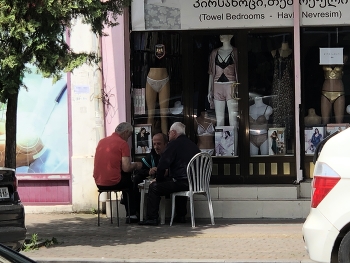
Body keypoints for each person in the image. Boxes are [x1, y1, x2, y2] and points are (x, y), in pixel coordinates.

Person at [139, 122, 200, 225]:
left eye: (169, 133)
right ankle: (181, 216)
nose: (168, 135)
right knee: (178, 182)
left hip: (181, 182)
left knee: (154, 187)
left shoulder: (173, 144)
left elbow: (163, 164)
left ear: (173, 132)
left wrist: (158, 179)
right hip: (195, 182)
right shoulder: (193, 145)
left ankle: (152, 218)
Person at [93, 122, 143, 223]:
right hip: (114, 182)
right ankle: (132, 214)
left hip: (99, 183)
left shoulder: (101, 142)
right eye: (129, 136)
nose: (128, 138)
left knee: (125, 180)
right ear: (126, 132)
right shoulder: (122, 144)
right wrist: (137, 165)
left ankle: (124, 200)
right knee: (130, 182)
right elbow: (126, 168)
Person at [133, 133, 168, 217]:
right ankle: (136, 212)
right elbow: (139, 170)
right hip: (156, 183)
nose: (156, 147)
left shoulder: (170, 154)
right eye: (154, 144)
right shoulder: (152, 155)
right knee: (136, 179)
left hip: (168, 182)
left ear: (165, 144)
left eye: (159, 144)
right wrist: (148, 171)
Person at [207, 35, 239, 127]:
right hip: (217, 86)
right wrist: (209, 90)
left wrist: (238, 89)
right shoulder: (214, 52)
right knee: (219, 121)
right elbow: (211, 72)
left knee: (233, 121)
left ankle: (235, 142)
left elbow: (239, 71)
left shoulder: (235, 52)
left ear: (231, 36)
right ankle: (220, 141)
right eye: (221, 34)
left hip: (231, 86)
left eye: (224, 34)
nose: (221, 35)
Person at [321, 55, 348, 124]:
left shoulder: (343, 56)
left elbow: (346, 57)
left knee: (339, 123)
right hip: (325, 93)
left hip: (339, 93)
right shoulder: (324, 55)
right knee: (325, 122)